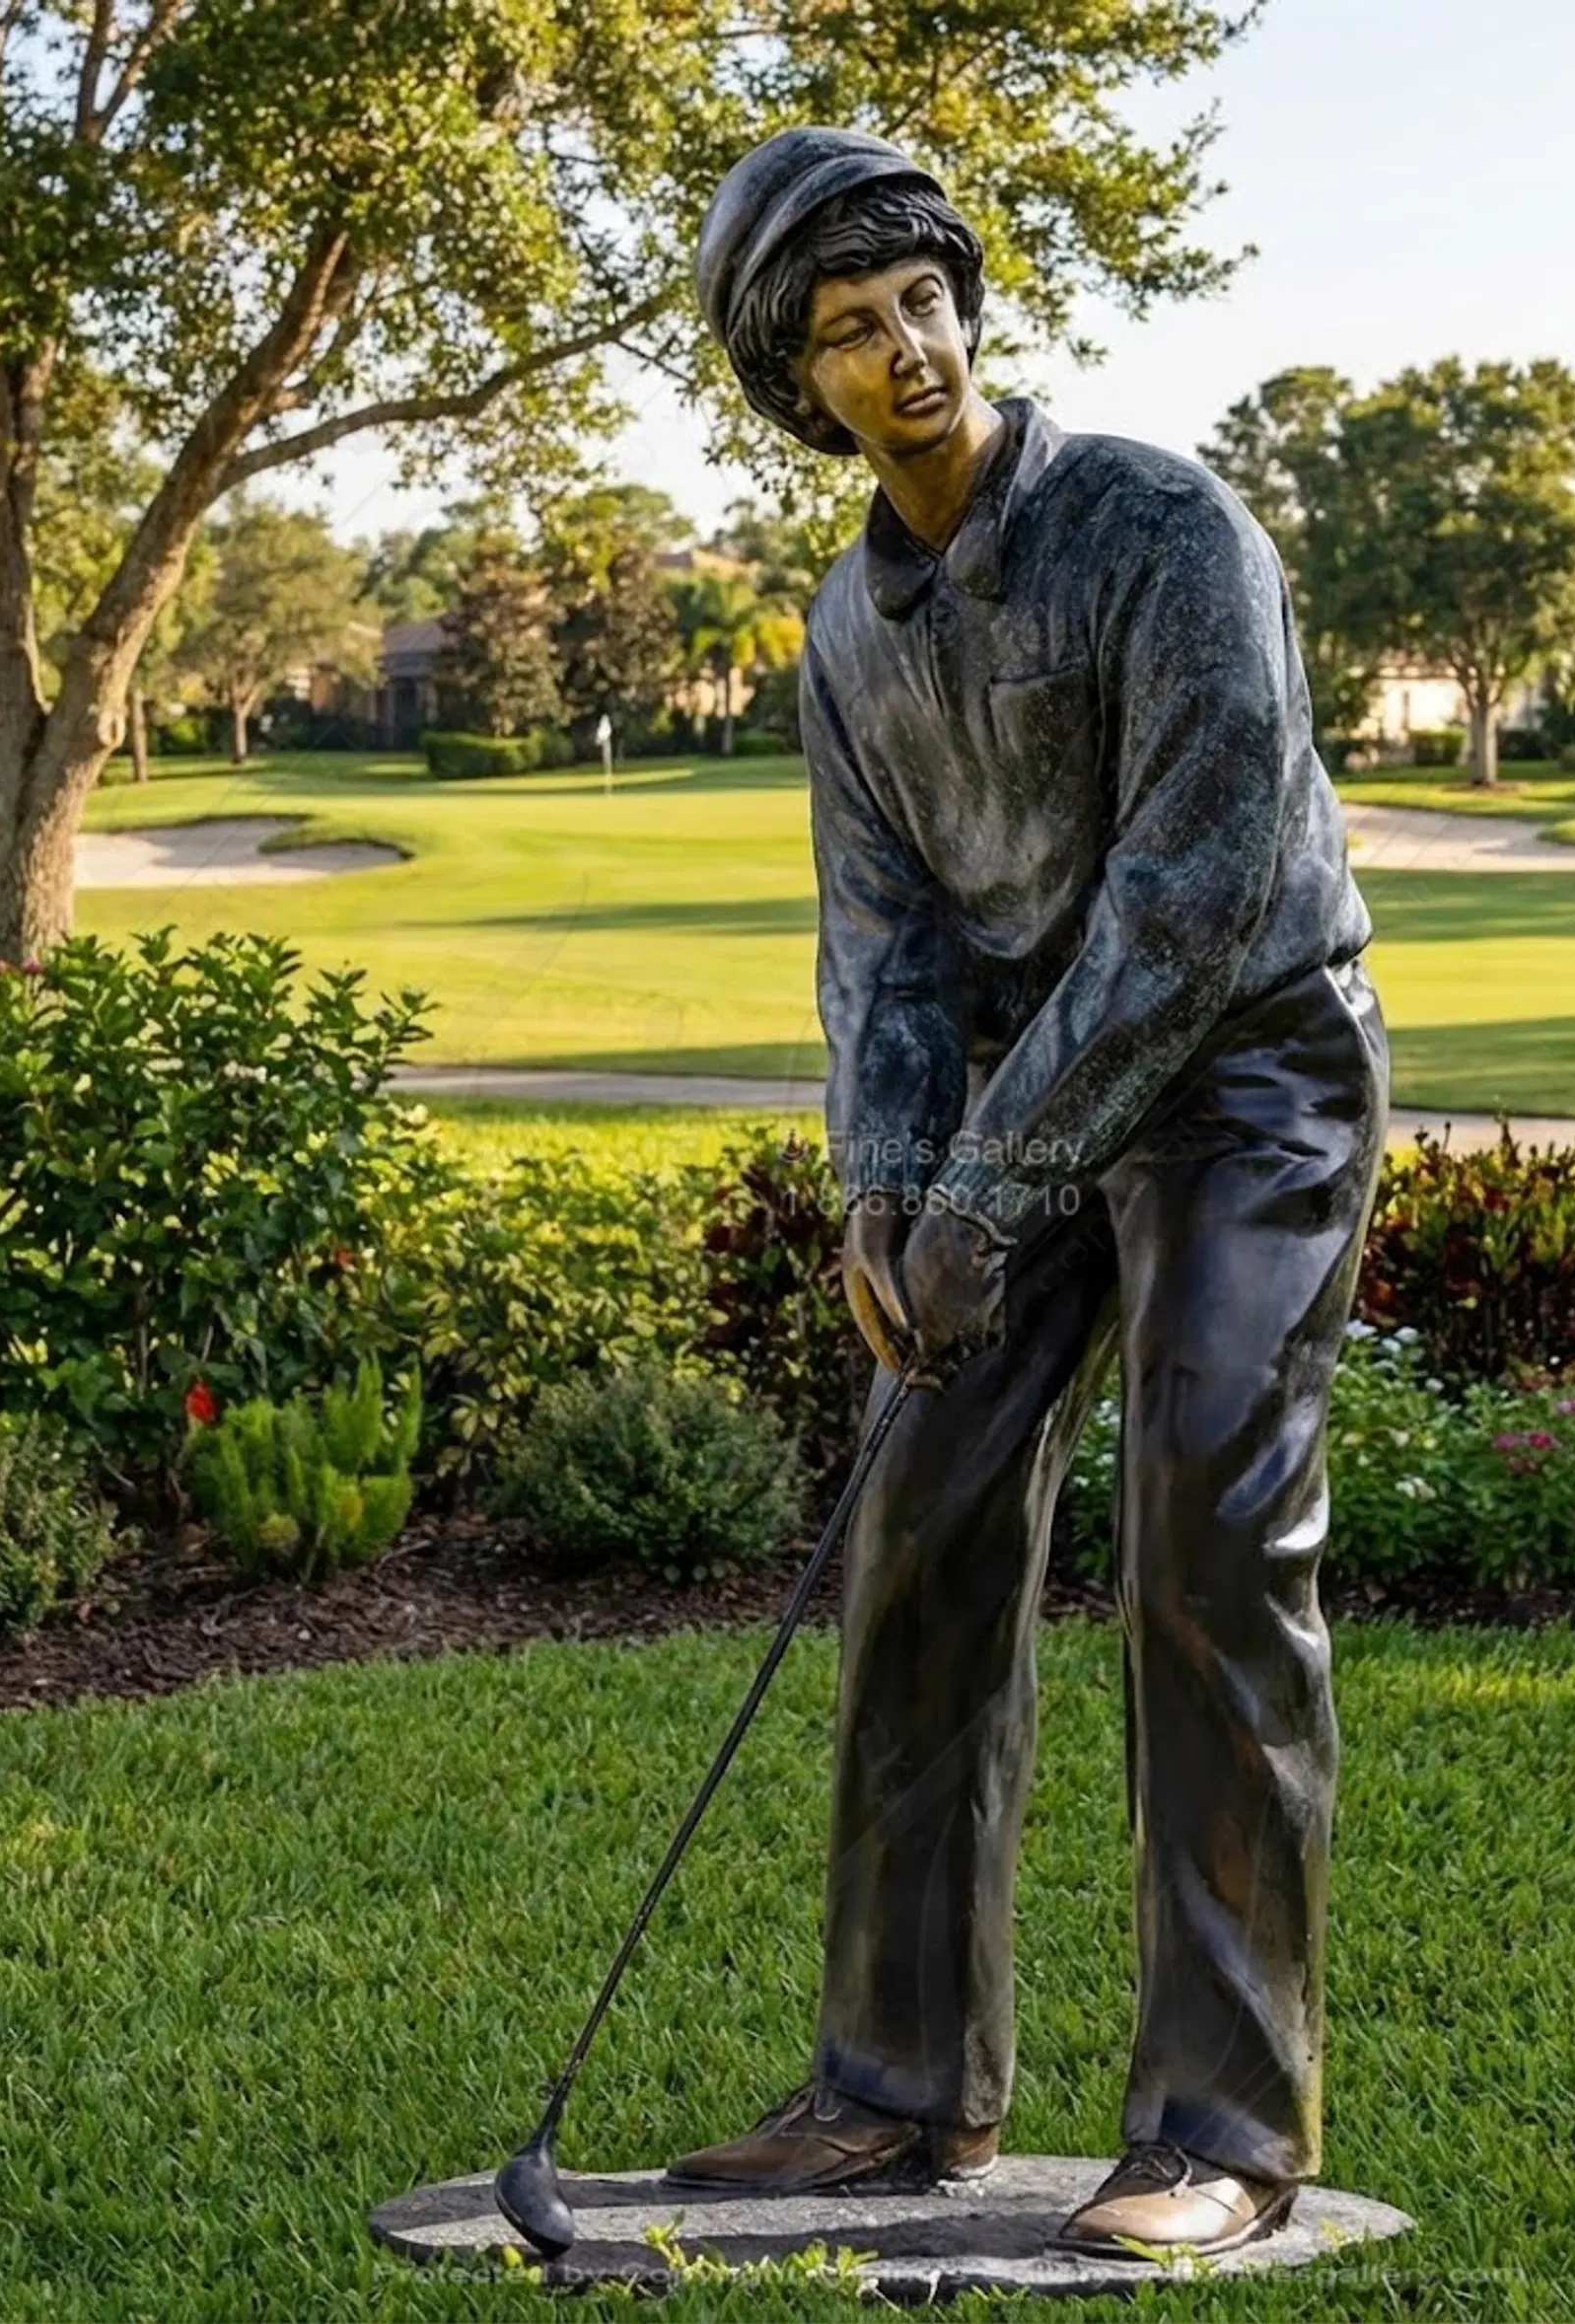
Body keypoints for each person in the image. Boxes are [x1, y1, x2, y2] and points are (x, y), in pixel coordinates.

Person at [668, 125, 1388, 2262]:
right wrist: (892, 1199)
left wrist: (990, 1175)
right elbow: (882, 945)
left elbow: (1187, 901)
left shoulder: (1162, 526)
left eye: (923, 304)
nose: (909, 352)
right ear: (796, 388)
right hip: (1017, 1103)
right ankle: (892, 2090)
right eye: (849, 333)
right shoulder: (845, 633)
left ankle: (1221, 2123)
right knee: (922, 1512)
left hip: (1247, 1064)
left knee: (1207, 1519)